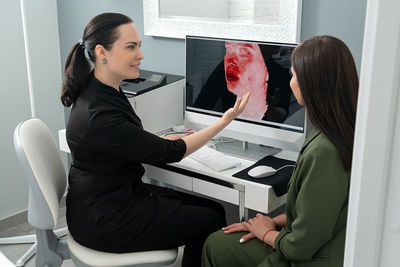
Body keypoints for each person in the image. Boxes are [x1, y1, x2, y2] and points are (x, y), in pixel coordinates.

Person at [60, 13, 249, 267]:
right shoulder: (100, 114)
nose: (140, 55)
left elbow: (131, 140)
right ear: (102, 52)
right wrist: (223, 122)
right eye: (130, 47)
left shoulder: (103, 88)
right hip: (104, 219)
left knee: (214, 210)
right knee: (209, 220)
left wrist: (165, 138)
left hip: (110, 198)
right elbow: (172, 153)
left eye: (139, 46)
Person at [202, 35, 359, 267]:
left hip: (308, 257)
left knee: (216, 244)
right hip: (309, 242)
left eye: (294, 75)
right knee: (218, 242)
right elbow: (315, 212)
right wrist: (268, 223)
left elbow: (301, 244)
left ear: (312, 83)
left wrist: (265, 232)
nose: (290, 82)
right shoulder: (337, 132)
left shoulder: (326, 151)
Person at [193, 41, 293, 122]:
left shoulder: (281, 75)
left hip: (265, 137)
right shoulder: (230, 67)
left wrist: (269, 107)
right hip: (232, 131)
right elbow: (201, 106)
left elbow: (280, 118)